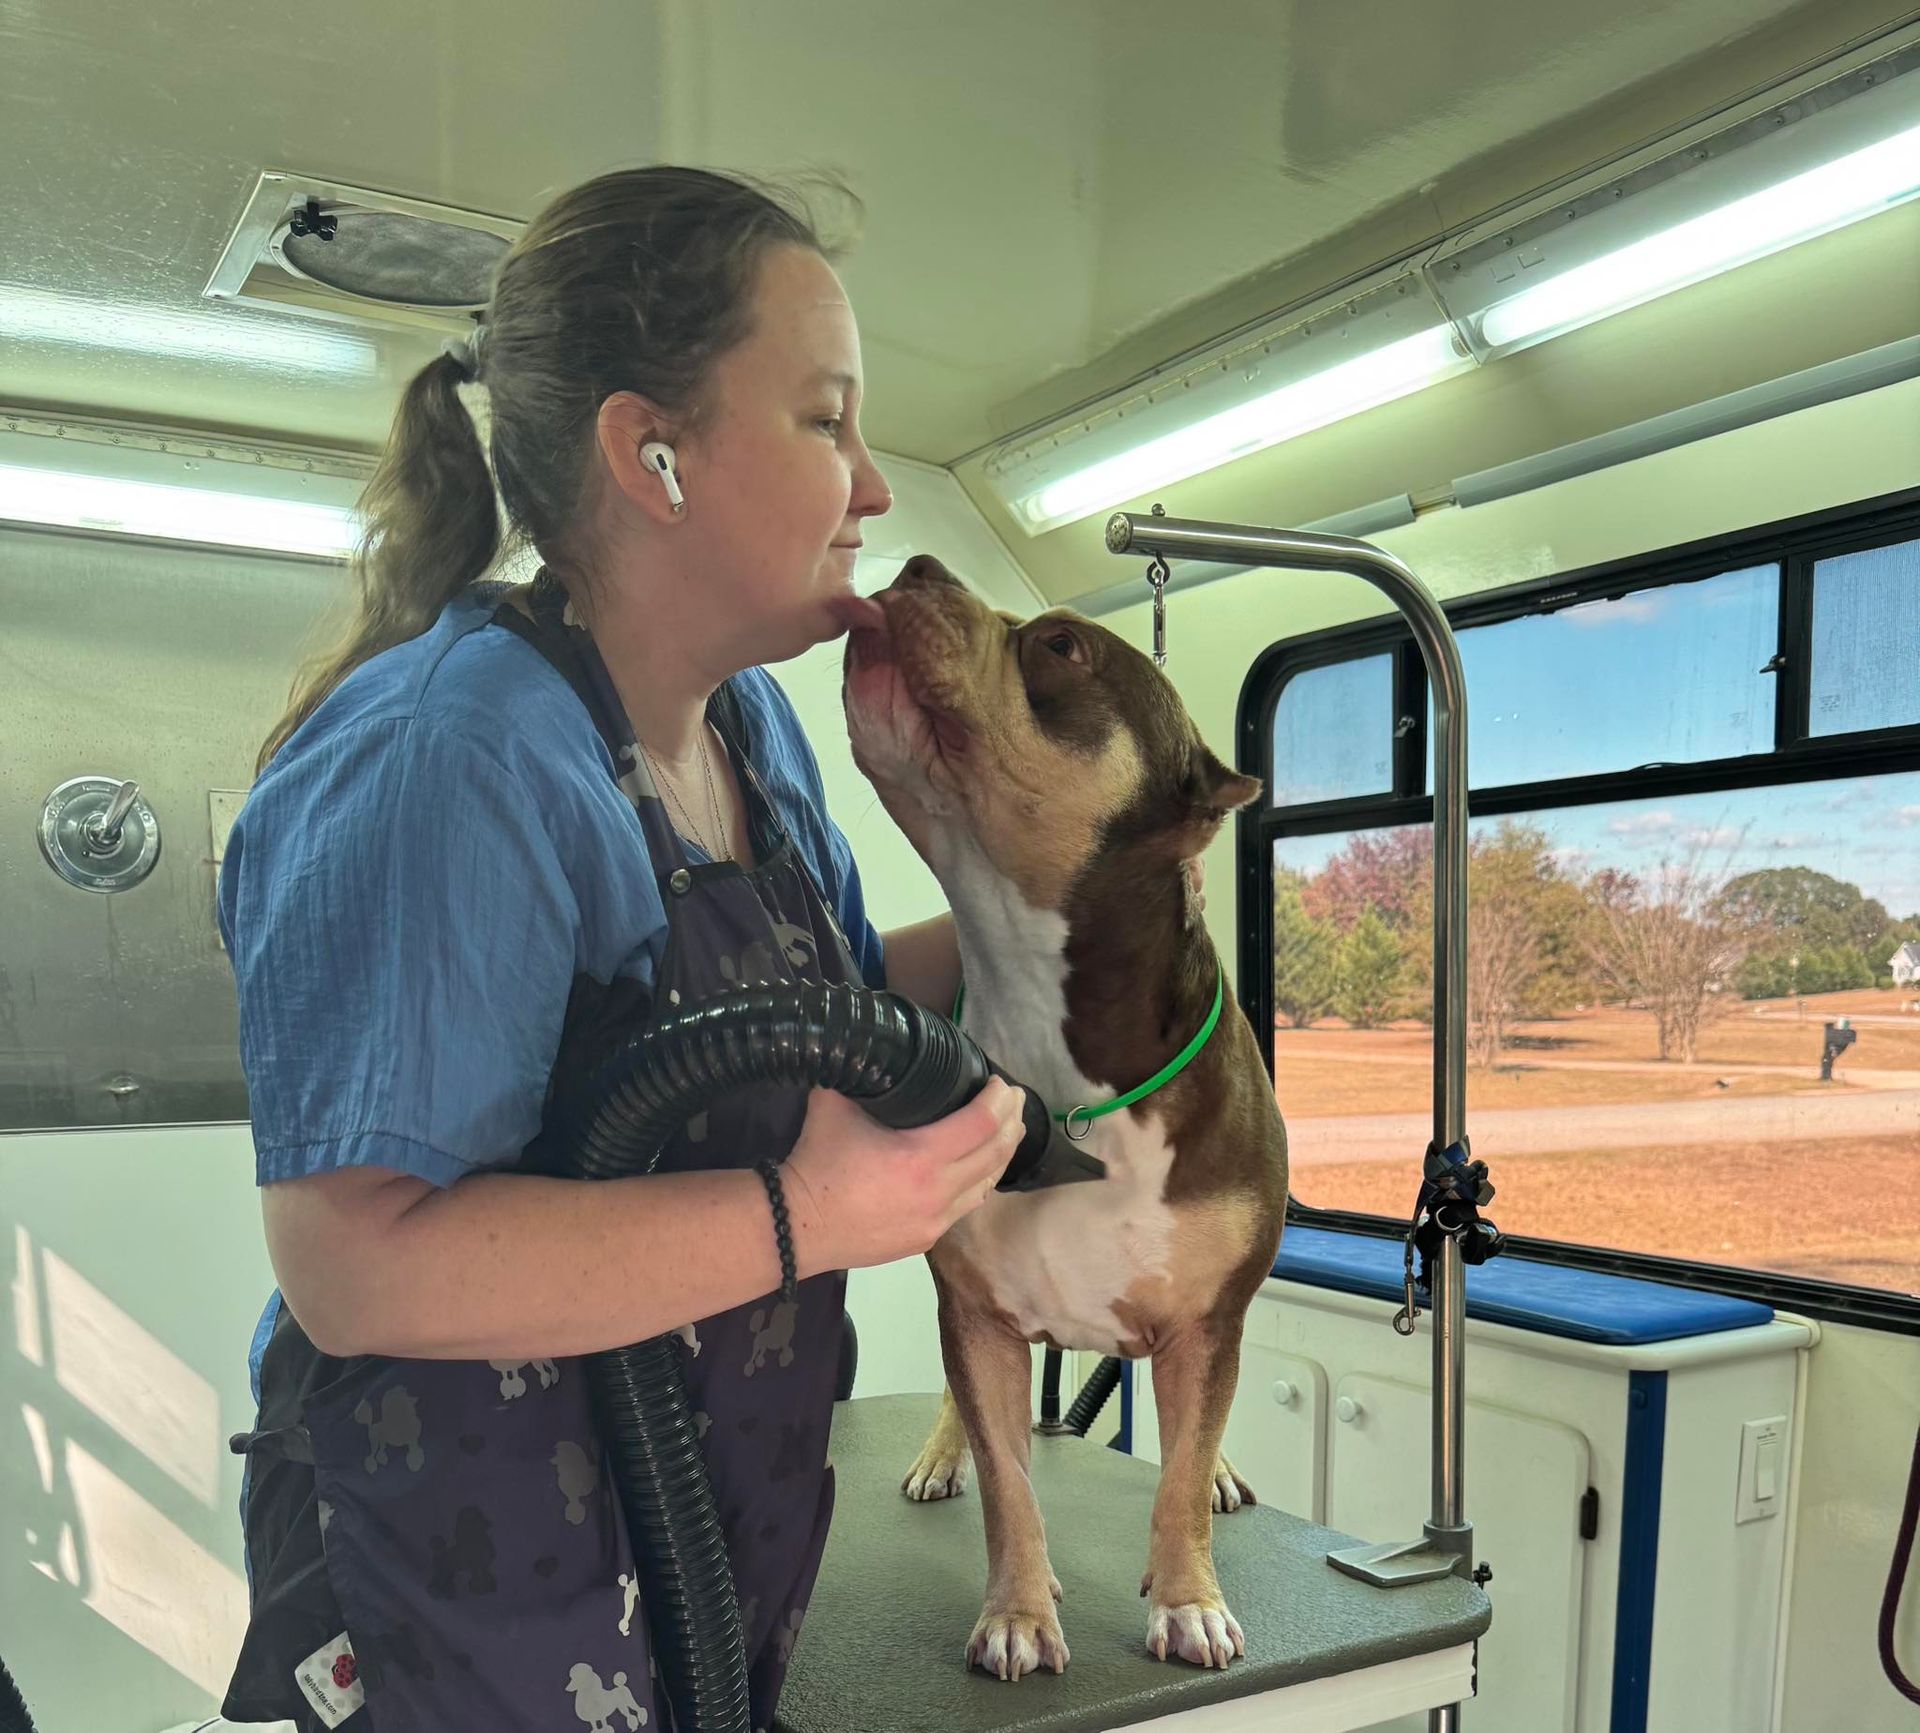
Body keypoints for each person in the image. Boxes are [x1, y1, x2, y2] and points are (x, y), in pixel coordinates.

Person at [217, 164, 1030, 1732]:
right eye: (826, 421)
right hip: (460, 1600)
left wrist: (1085, 936)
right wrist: (809, 1214)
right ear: (647, 452)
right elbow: (351, 1260)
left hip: (686, 1574)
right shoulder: (450, 761)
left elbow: (855, 1009)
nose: (872, 487)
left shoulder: (753, 734)